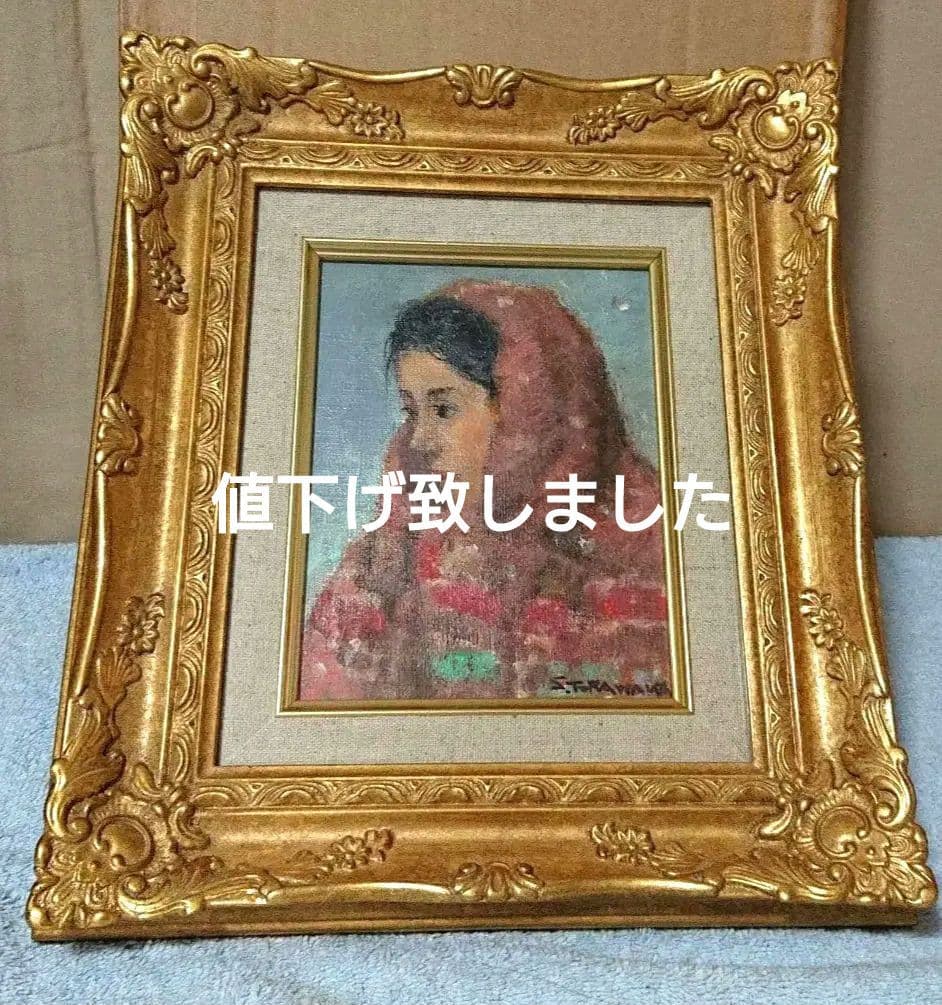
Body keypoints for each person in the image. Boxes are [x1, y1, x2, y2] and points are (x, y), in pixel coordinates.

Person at [299, 280, 669, 701]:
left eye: (443, 409)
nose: (419, 440)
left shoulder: (639, 551)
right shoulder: (392, 552)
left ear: (528, 411)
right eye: (411, 411)